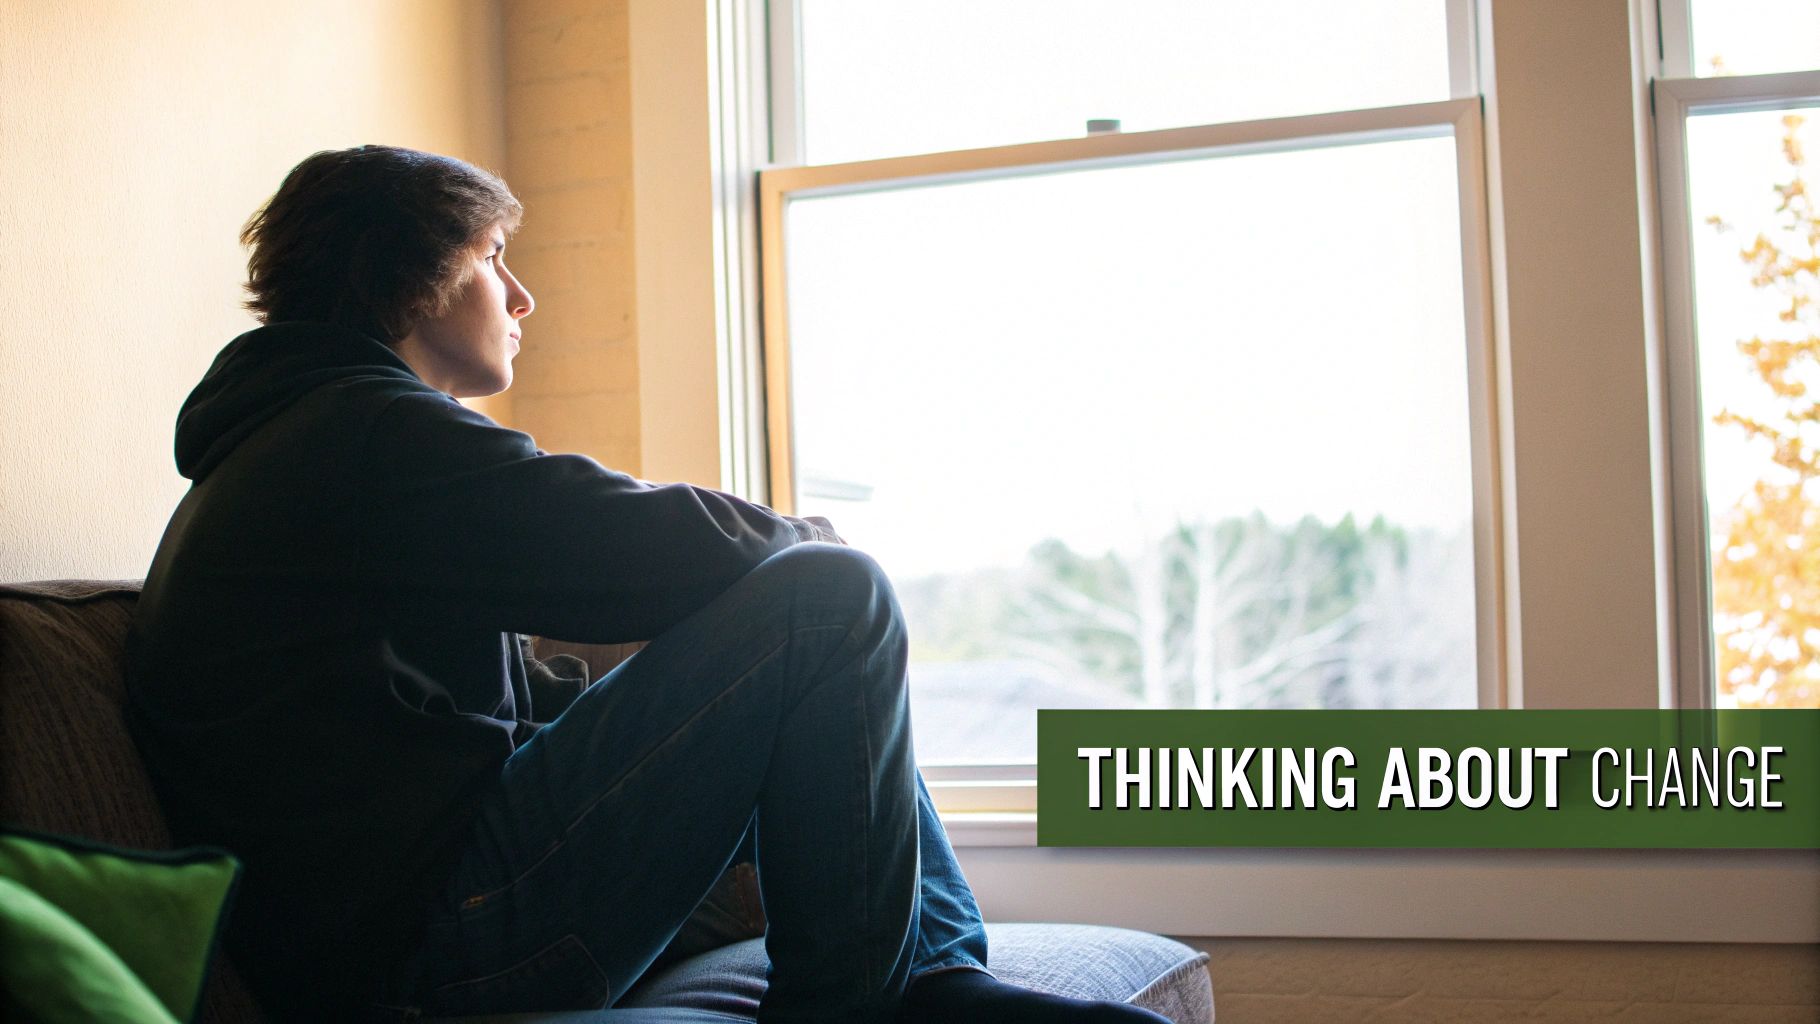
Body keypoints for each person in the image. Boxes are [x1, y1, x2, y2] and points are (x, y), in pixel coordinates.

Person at [125, 145, 1170, 1024]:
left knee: (802, 612)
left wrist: (687, 703)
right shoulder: (359, 436)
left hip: (425, 916)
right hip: (433, 949)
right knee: (828, 595)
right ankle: (888, 999)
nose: (522, 293)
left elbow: (467, 711)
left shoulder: (307, 448)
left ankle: (932, 978)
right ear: (408, 277)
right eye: (492, 257)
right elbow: (638, 544)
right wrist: (800, 532)